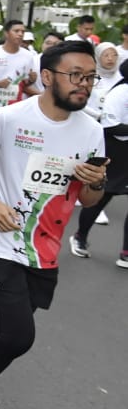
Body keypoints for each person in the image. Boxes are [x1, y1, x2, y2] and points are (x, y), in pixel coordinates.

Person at [0, 39, 106, 409]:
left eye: (90, 78)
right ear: (48, 77)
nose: (84, 85)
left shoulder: (92, 131)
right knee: (21, 335)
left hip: (45, 247)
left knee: (7, 326)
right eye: (76, 76)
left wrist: (97, 183)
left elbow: (88, 198)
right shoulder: (10, 118)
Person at [71, 57, 128, 265]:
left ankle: (126, 251)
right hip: (117, 152)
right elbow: (109, 126)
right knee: (102, 198)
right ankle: (80, 237)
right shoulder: (119, 93)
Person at [0, 20, 37, 119]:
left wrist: (31, 80)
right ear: (6, 33)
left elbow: (25, 83)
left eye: (22, 32)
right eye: (16, 31)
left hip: (14, 109)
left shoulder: (28, 56)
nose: (20, 34)